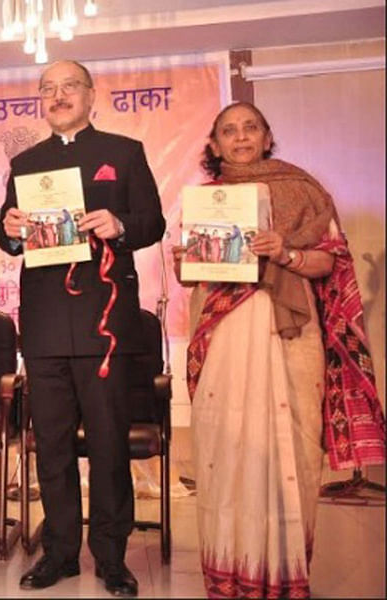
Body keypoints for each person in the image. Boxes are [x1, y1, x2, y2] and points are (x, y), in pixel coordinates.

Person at [172, 101, 386, 598]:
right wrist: (188, 256)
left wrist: (283, 252)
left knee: (289, 450)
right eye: (229, 130)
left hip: (290, 333)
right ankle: (229, 574)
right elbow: (194, 276)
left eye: (250, 128)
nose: (241, 137)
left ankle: (286, 578)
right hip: (223, 335)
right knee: (226, 450)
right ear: (215, 144)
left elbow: (328, 264)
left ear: (268, 137)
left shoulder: (304, 192)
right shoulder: (206, 200)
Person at [0, 60, 165, 597]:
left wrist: (120, 225)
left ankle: (112, 557)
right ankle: (61, 552)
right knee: (52, 444)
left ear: (92, 95)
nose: (58, 95)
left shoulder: (124, 151)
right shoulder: (26, 162)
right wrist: (11, 230)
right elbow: (8, 236)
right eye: (48, 89)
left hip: (106, 322)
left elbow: (153, 222)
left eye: (69, 86)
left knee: (110, 443)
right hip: (44, 325)